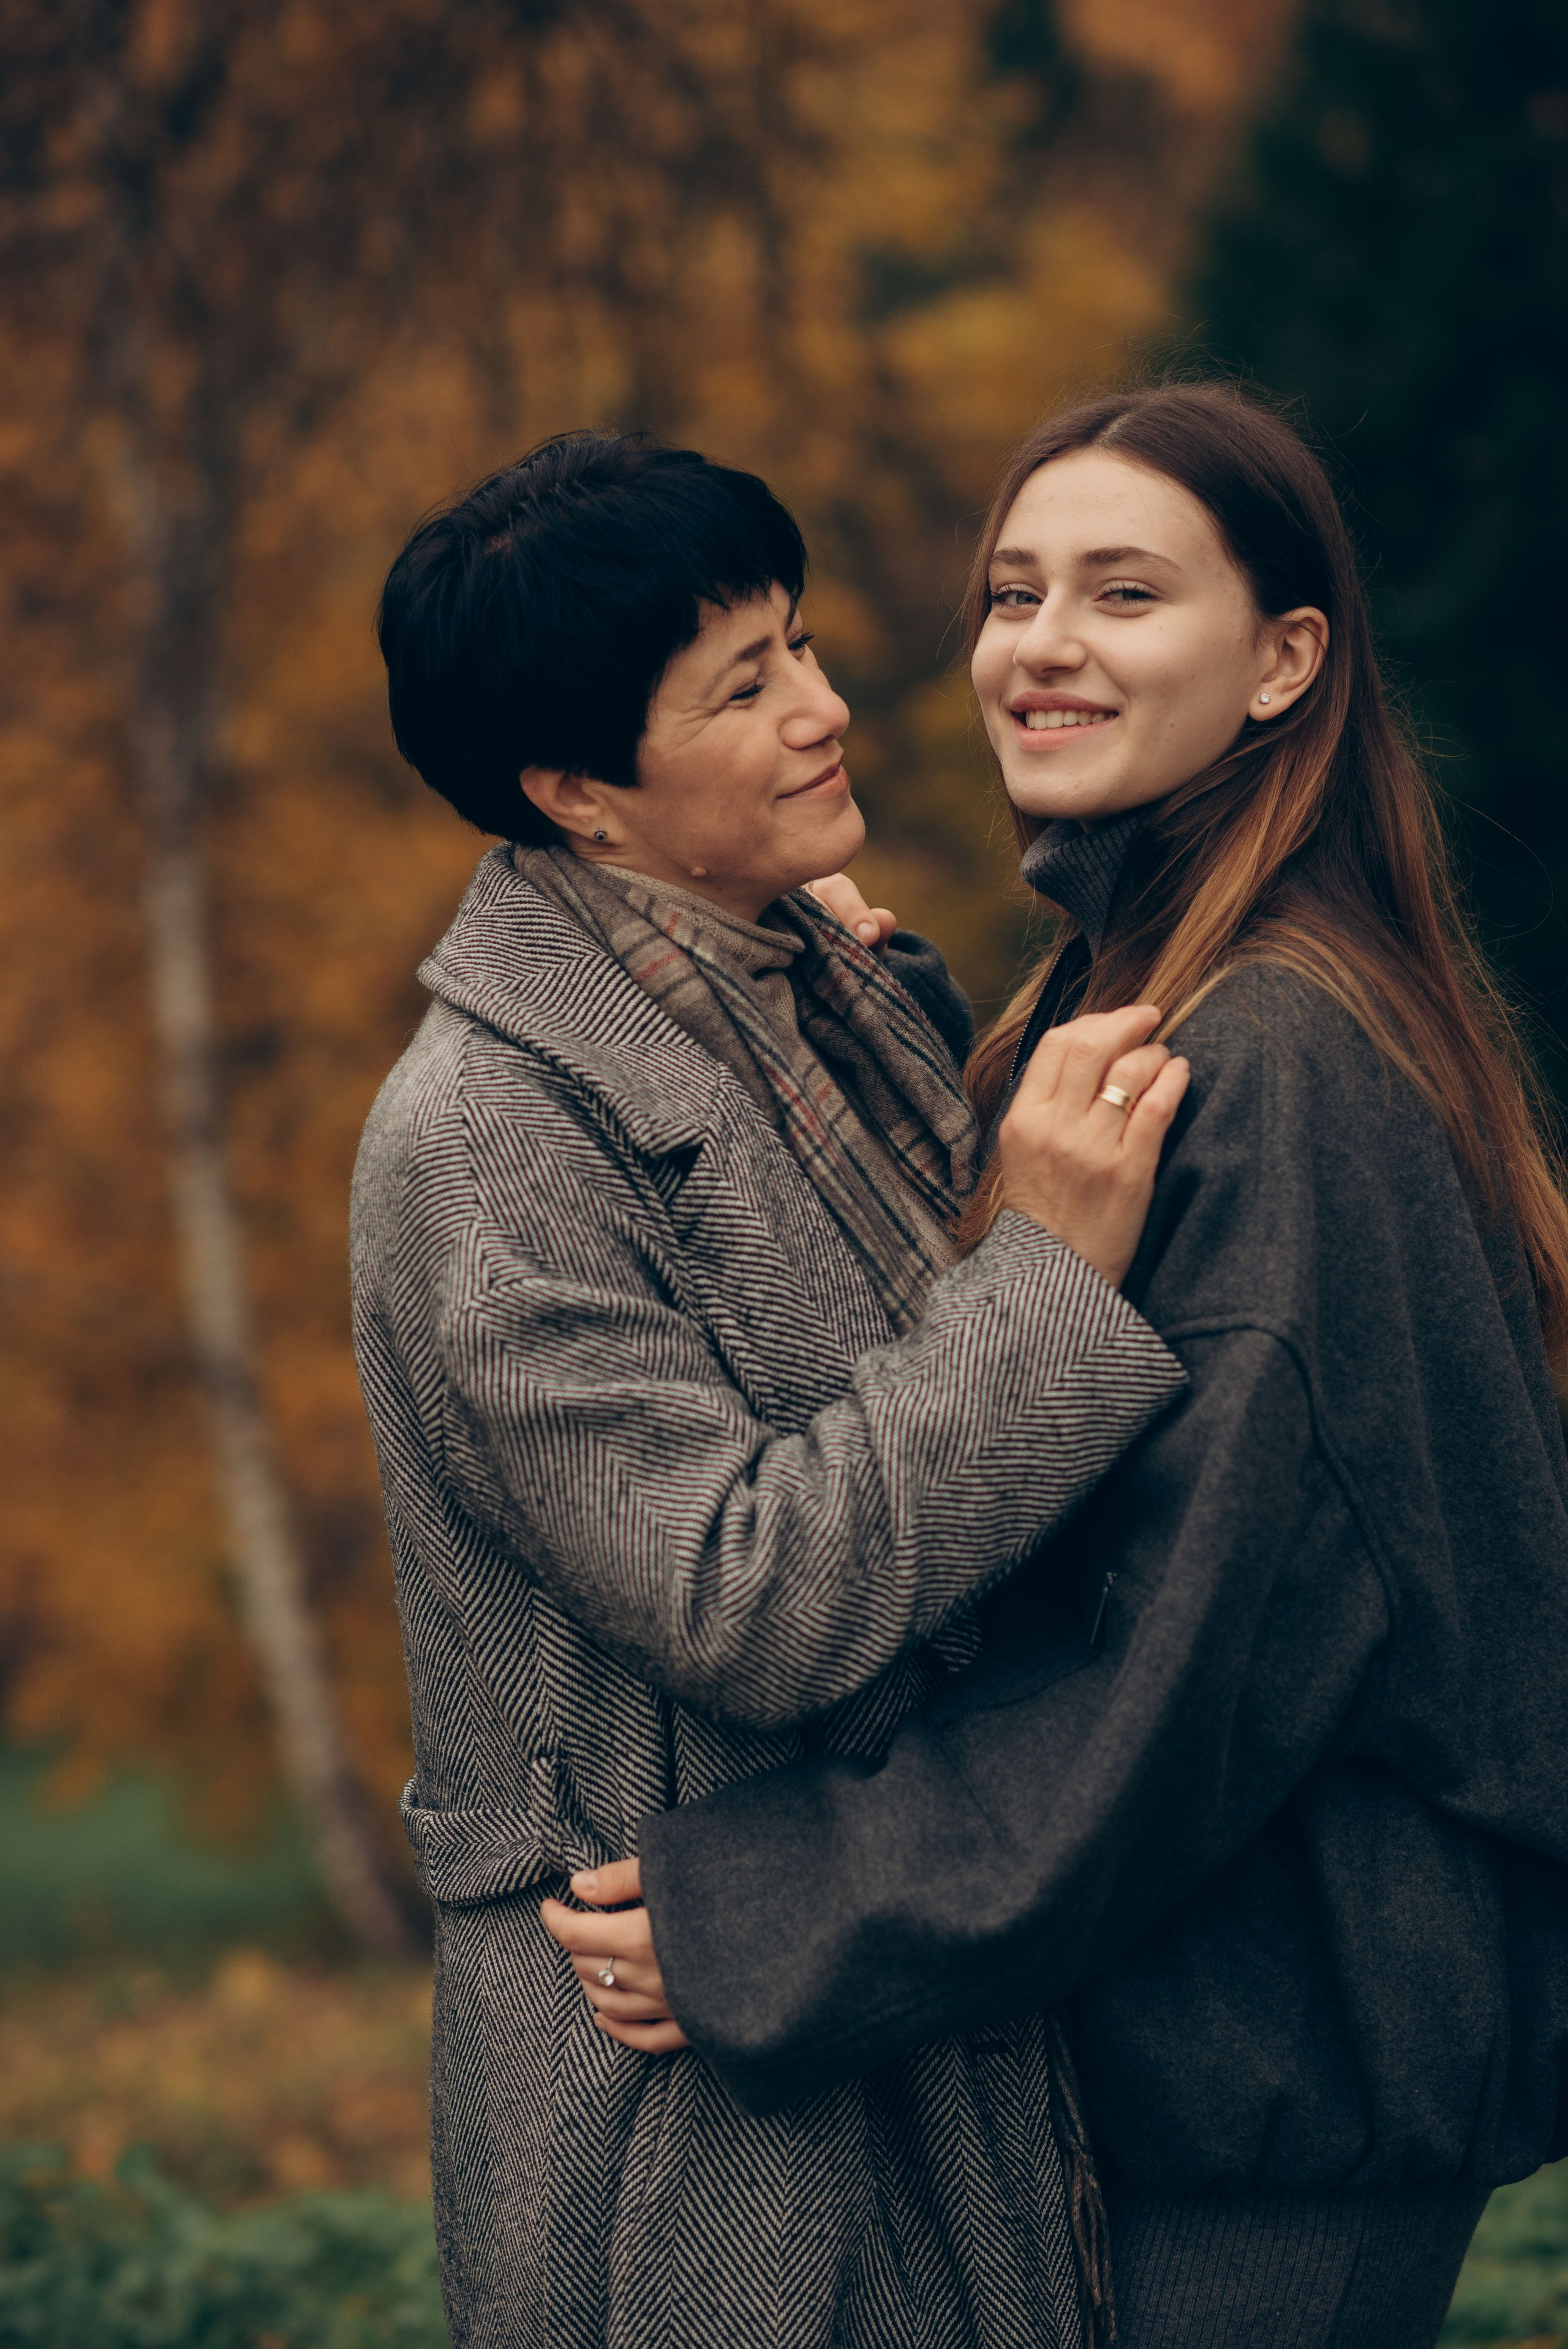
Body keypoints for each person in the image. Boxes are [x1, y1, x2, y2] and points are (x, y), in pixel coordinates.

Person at [550, 385, 1568, 2349]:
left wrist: (771, 1911)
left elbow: (1190, 1658)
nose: (1043, 643)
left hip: (1282, 2109)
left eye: (1125, 591)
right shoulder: (1155, 996)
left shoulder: (1267, 1057)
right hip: (1224, 2057)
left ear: (1286, 661)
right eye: (1014, 590)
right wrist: (880, 1004)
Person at [353, 429, 1194, 2349]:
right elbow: (747, 1590)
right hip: (692, 2079)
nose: (827, 708)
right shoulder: (482, 1143)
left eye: (800, 645)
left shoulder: (799, 980)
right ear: (579, 791)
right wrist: (1057, 1267)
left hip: (888, 1968)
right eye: (745, 688)